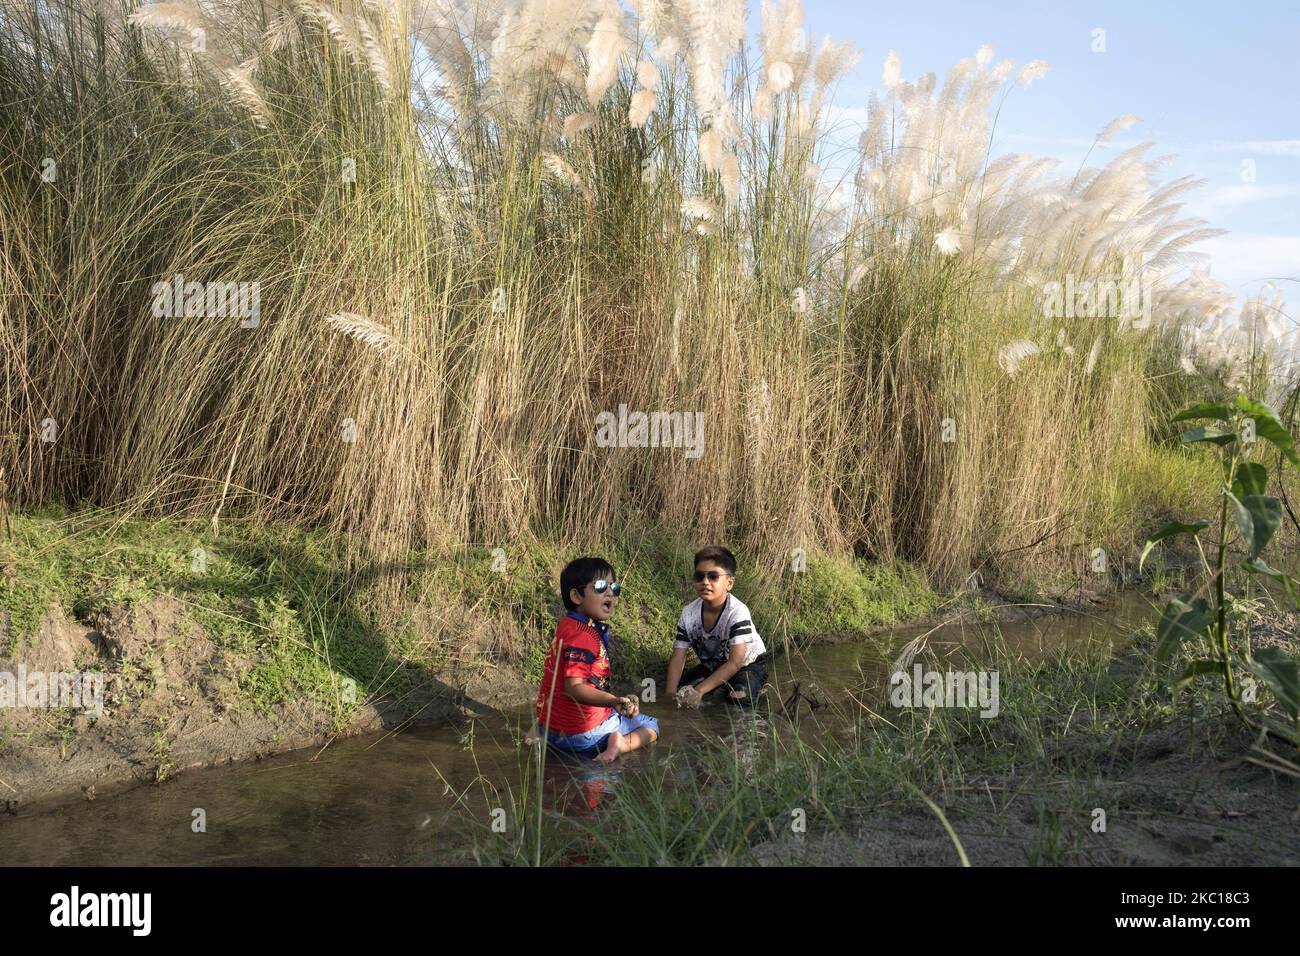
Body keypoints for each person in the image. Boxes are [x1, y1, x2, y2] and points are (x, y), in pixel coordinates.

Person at [530, 556, 659, 762]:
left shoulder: (567, 626)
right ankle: (617, 745)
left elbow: (552, 680)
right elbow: (574, 688)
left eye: (613, 587)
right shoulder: (584, 636)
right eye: (600, 586)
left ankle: (539, 731)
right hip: (582, 737)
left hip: (551, 732)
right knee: (651, 725)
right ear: (576, 595)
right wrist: (614, 701)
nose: (609, 592)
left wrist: (542, 721)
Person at [664, 545, 768, 709]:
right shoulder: (689, 614)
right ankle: (717, 688)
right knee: (679, 693)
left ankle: (751, 689)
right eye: (699, 576)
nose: (705, 582)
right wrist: (669, 695)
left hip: (747, 666)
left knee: (739, 698)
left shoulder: (737, 612)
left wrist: (698, 691)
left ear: (729, 583)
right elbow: (678, 657)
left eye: (713, 576)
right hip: (713, 666)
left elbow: (735, 662)